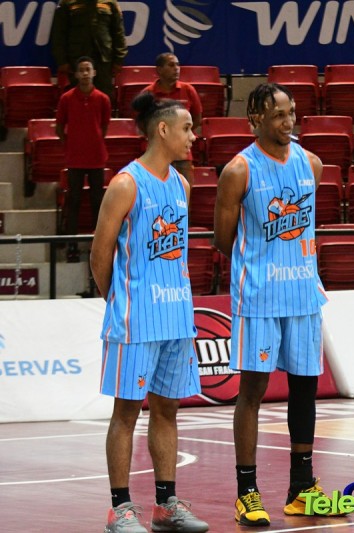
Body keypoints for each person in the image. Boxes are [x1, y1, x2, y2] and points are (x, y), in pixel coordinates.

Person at [214, 83, 335, 526]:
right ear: (256, 119)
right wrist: (262, 261)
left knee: (305, 388)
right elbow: (222, 239)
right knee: (253, 390)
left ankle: (302, 487)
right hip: (260, 295)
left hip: (303, 292)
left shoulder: (312, 164)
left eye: (292, 113)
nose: (289, 122)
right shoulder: (239, 171)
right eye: (279, 115)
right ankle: (246, 492)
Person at [90, 92, 208, 533]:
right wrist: (121, 300)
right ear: (163, 130)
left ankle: (166, 505)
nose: (193, 137)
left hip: (176, 317)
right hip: (136, 320)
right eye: (187, 128)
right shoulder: (126, 184)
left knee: (167, 411)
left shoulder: (182, 185)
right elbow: (99, 255)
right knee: (126, 413)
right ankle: (120, 509)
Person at [56, 56, 111, 262]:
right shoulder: (66, 98)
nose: (85, 73)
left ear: (94, 73)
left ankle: (97, 247)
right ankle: (72, 246)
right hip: (75, 160)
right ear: (77, 74)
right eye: (81, 70)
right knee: (74, 202)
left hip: (97, 158)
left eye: (88, 69)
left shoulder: (103, 99)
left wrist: (94, 141)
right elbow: (59, 127)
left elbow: (104, 126)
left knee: (98, 203)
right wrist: (71, 144)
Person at [143, 53, 203, 186]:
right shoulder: (148, 93)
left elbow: (197, 119)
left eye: (177, 65)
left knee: (184, 193)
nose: (176, 68)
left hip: (183, 155)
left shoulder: (188, 90)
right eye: (171, 65)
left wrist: (179, 134)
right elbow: (142, 123)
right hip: (157, 155)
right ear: (159, 70)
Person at [50, 0, 127, 99]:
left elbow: (119, 33)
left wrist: (119, 60)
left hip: (104, 60)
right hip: (76, 60)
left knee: (104, 96)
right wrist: (62, 61)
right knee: (77, 97)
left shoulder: (110, 2)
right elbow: (58, 34)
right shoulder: (66, 2)